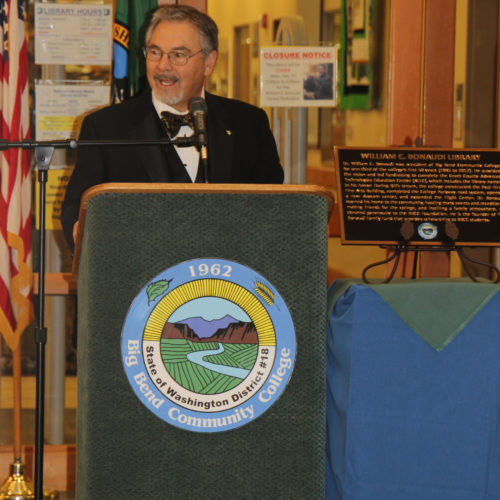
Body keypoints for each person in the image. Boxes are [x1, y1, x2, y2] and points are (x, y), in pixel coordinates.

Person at [60, 5, 284, 251]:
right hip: (141, 283)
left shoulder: (249, 125)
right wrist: (84, 234)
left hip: (227, 281)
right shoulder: (105, 128)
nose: (163, 66)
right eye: (155, 52)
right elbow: (75, 208)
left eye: (178, 55)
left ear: (209, 63)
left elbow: (273, 212)